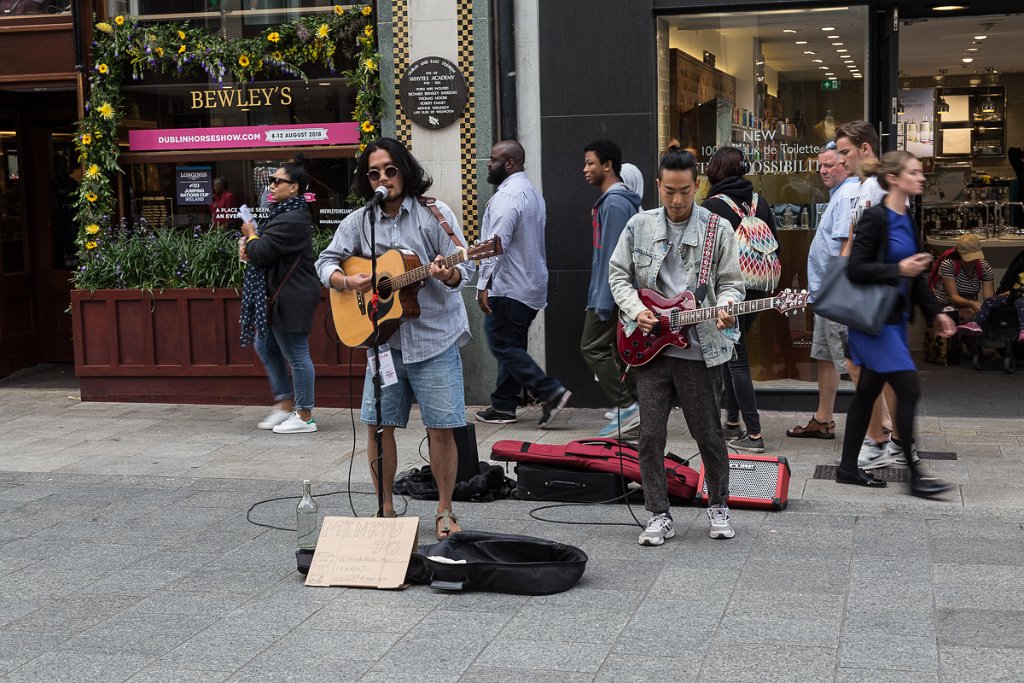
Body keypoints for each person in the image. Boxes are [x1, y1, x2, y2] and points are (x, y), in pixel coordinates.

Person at [315, 138, 473, 539]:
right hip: (381, 343)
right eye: (374, 173)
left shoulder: (432, 214)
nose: (383, 178)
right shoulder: (359, 221)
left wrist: (446, 272)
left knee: (441, 427)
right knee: (377, 426)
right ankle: (384, 510)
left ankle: (444, 510)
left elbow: (464, 268)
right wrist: (347, 280)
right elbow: (325, 261)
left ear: (404, 170)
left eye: (390, 170)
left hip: (434, 338)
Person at [608, 145, 745, 546]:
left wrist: (727, 306)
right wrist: (636, 310)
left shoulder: (717, 229)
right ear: (658, 186)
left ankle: (718, 504)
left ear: (698, 185)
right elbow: (618, 276)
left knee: (708, 434)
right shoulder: (638, 226)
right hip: (650, 349)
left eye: (685, 190)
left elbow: (731, 284)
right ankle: (658, 513)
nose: (678, 199)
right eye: (669, 190)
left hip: (699, 350)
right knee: (650, 436)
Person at [835, 151, 956, 496]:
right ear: (894, 179)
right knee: (909, 388)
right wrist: (898, 270)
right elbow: (856, 268)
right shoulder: (875, 218)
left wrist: (937, 313)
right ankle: (916, 477)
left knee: (868, 392)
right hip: (874, 324)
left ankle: (846, 468)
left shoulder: (907, 219)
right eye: (915, 173)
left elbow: (917, 279)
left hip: (895, 322)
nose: (921, 178)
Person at [475, 140, 572, 427]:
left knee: (502, 343)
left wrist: (483, 283)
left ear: (510, 163)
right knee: (512, 344)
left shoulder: (508, 197)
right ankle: (504, 404)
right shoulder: (530, 193)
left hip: (509, 286)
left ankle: (549, 391)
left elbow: (495, 245)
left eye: (493, 160)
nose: (488, 165)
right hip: (529, 284)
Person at [701, 146, 778, 454]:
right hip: (758, 286)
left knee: (737, 360)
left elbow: (706, 256)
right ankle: (732, 422)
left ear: (715, 171)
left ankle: (755, 435)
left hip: (728, 292)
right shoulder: (761, 202)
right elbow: (775, 244)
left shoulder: (713, 206)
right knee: (731, 353)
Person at [835, 121, 900, 469]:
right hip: (864, 288)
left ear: (865, 149)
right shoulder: (862, 187)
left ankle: (880, 437)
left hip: (873, 291)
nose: (840, 159)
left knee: (860, 364)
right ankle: (889, 438)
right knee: (868, 365)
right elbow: (853, 235)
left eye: (845, 152)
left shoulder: (876, 186)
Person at [239, 161, 321, 435]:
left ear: (294, 188)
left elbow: (262, 251)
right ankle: (285, 405)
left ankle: (305, 414)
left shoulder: (294, 217)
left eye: (277, 181)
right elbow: (262, 251)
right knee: (265, 346)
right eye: (270, 180)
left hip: (292, 296)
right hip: (277, 296)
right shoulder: (280, 214)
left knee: (297, 355)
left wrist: (251, 236)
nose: (271, 185)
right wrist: (251, 244)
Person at [788, 140, 858, 440]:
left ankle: (886, 430)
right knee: (827, 358)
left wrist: (838, 293)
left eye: (829, 165)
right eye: (820, 165)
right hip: (826, 293)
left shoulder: (847, 195)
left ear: (845, 163)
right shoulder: (838, 194)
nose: (823, 170)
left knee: (854, 364)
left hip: (835, 294)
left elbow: (846, 245)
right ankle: (823, 419)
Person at [581, 139, 643, 437]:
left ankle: (630, 405)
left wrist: (603, 300)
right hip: (610, 293)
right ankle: (636, 407)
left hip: (612, 294)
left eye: (590, 163)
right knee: (618, 353)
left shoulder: (616, 203)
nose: (585, 169)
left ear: (608, 166)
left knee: (592, 347)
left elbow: (612, 257)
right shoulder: (614, 201)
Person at [957, 248, 1024, 342]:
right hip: (1014, 294)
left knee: (1020, 303)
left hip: (1020, 298)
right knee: (990, 300)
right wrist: (1009, 292)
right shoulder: (1021, 272)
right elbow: (1015, 283)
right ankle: (975, 323)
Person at [931, 234, 994, 323]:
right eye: (969, 258)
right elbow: (954, 296)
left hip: (969, 307)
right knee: (968, 315)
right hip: (946, 306)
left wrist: (987, 308)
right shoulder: (949, 265)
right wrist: (971, 304)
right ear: (959, 254)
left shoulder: (984, 267)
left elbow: (989, 299)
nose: (972, 261)